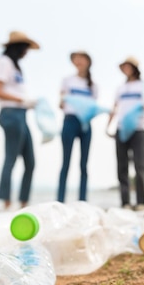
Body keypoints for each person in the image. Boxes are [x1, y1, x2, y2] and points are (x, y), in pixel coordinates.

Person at [0, 31, 40, 209]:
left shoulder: (16, 66)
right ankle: (5, 204)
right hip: (11, 114)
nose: (26, 52)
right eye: (25, 48)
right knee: (11, 157)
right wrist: (21, 100)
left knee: (30, 161)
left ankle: (23, 204)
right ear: (19, 47)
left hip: (22, 114)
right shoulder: (4, 62)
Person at [107, 57, 144, 210]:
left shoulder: (143, 86)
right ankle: (125, 202)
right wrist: (108, 125)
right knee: (122, 167)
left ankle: (141, 202)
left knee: (140, 166)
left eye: (128, 66)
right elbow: (115, 107)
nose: (126, 69)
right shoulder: (120, 88)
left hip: (137, 129)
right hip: (121, 129)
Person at [57, 51, 97, 202]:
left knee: (84, 165)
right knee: (65, 162)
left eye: (82, 58)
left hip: (85, 124)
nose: (78, 61)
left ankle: (82, 201)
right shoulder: (67, 80)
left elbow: (93, 107)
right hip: (70, 121)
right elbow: (61, 103)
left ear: (88, 61)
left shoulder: (93, 85)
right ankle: (60, 200)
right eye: (76, 59)